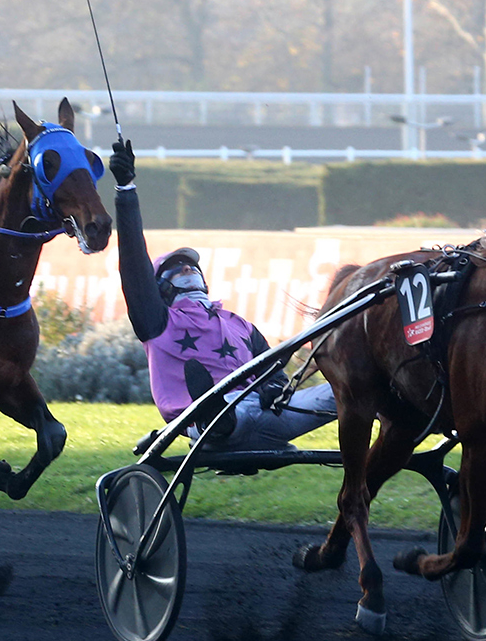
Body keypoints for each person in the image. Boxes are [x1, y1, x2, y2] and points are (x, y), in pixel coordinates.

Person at [109, 141, 336, 451]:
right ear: (159, 287)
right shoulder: (156, 320)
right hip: (214, 420)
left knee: (347, 390)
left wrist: (272, 388)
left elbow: (273, 376)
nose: (188, 269)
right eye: (176, 269)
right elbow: (133, 260)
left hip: (271, 415)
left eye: (192, 267)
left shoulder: (241, 326)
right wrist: (126, 190)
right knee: (230, 406)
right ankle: (212, 417)